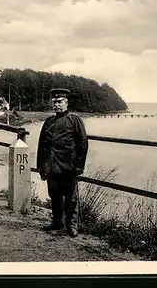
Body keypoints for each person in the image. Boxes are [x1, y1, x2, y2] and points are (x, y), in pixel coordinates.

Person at [36, 88, 89, 237]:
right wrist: (41, 166)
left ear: (66, 103)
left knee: (71, 198)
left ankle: (71, 225)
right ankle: (57, 222)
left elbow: (83, 144)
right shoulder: (48, 122)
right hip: (51, 166)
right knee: (54, 195)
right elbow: (41, 146)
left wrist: (79, 166)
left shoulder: (75, 120)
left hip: (68, 167)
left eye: (60, 102)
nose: (56, 105)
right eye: (54, 102)